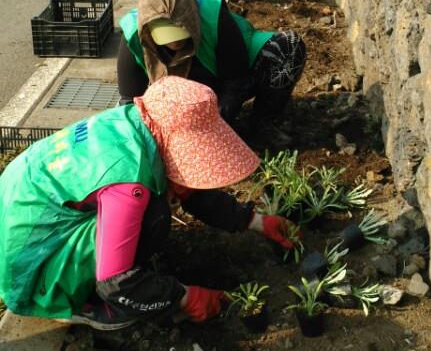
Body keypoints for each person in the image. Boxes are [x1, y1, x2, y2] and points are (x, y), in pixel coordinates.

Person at [0, 78, 297, 331]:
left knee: (155, 203)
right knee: (153, 217)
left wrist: (254, 221)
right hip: (30, 263)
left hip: (26, 214)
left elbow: (187, 188)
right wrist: (182, 297)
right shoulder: (128, 183)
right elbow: (115, 281)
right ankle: (82, 304)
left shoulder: (135, 122)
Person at [117, 0, 307, 121]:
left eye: (182, 34)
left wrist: (218, 125)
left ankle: (260, 126)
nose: (175, 44)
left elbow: (235, 82)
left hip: (222, 78)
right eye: (165, 37)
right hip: (180, 99)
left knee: (288, 48)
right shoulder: (134, 35)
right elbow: (129, 101)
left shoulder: (214, 16)